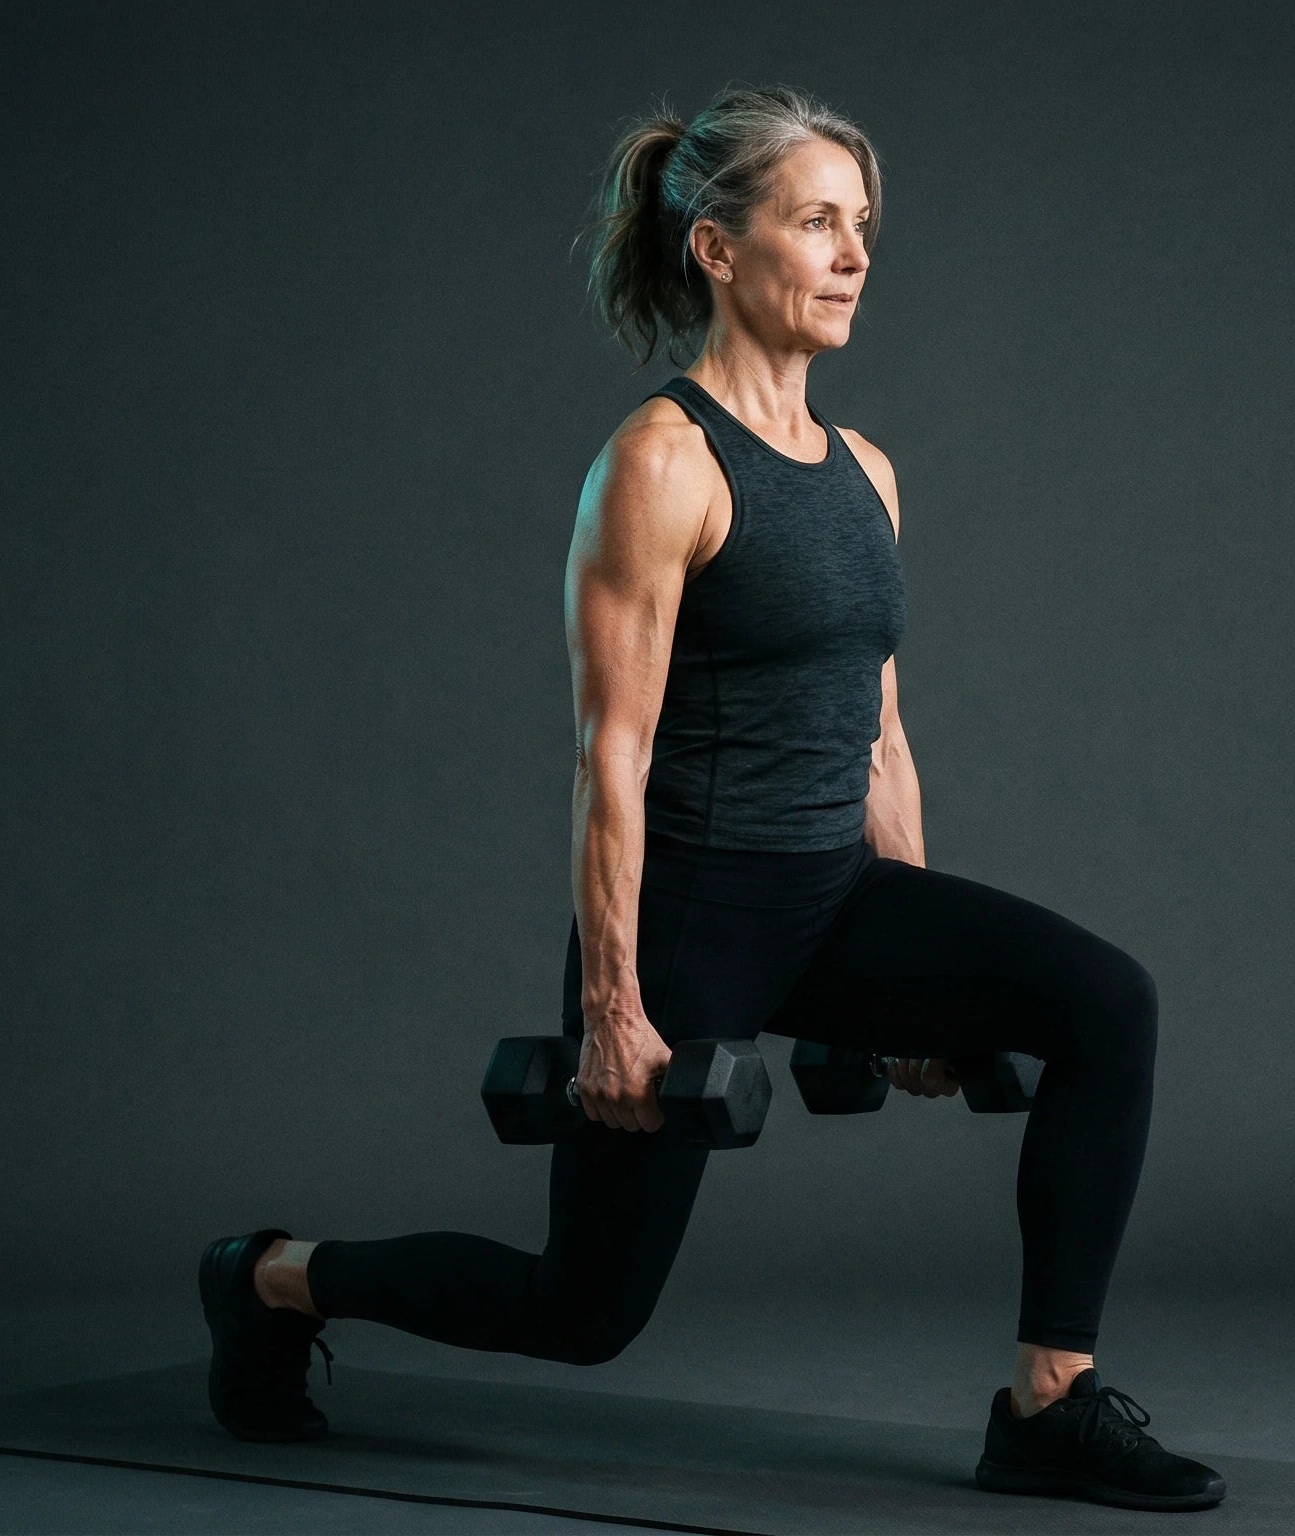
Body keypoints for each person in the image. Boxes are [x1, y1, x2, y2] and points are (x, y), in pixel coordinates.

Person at [197, 83, 1222, 1514]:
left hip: (837, 900)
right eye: (820, 222)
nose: (857, 253)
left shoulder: (866, 473)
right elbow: (609, 756)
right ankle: (271, 1281)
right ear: (719, 252)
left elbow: (879, 731)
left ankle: (1047, 1407)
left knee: (1111, 1005)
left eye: (864, 226)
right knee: (582, 1311)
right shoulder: (659, 464)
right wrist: (616, 1005)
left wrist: (926, 980)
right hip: (692, 916)